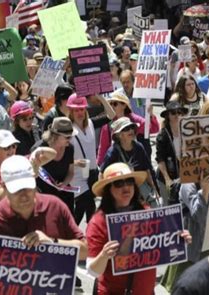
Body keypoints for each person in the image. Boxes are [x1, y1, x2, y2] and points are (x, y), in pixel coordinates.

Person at [86, 163, 191, 295]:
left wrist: (179, 240)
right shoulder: (99, 221)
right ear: (108, 189)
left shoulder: (147, 213)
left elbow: (163, 246)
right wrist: (104, 255)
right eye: (119, 183)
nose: (126, 188)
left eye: (129, 182)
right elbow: (92, 271)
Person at [0, 155, 88, 260]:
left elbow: (85, 251)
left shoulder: (55, 207)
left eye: (27, 187)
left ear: (35, 180)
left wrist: (53, 243)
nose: (23, 197)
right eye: (16, 190)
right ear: (3, 186)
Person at [67, 94, 114, 225]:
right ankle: (72, 234)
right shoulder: (67, 130)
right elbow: (59, 154)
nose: (79, 113)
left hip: (92, 173)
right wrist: (75, 162)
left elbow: (111, 114)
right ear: (70, 111)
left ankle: (87, 236)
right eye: (76, 110)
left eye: (82, 109)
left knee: (88, 209)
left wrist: (100, 97)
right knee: (85, 205)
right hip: (76, 176)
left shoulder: (91, 124)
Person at [101, 117, 159, 207]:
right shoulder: (112, 152)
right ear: (118, 135)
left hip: (141, 190)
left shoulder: (139, 147)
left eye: (132, 127)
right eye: (126, 129)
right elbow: (102, 174)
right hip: (121, 191)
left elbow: (147, 170)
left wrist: (153, 189)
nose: (131, 130)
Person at [33, 117, 76, 215]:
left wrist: (64, 184)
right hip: (43, 196)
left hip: (64, 194)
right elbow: (30, 175)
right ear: (56, 136)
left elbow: (71, 172)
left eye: (71, 136)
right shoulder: (39, 149)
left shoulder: (69, 149)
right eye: (67, 137)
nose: (70, 139)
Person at [155, 102, 188, 206]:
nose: (177, 115)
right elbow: (160, 159)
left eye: (180, 112)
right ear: (168, 116)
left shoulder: (188, 131)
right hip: (166, 176)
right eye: (173, 113)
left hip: (184, 175)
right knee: (167, 206)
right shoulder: (163, 135)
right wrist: (167, 179)